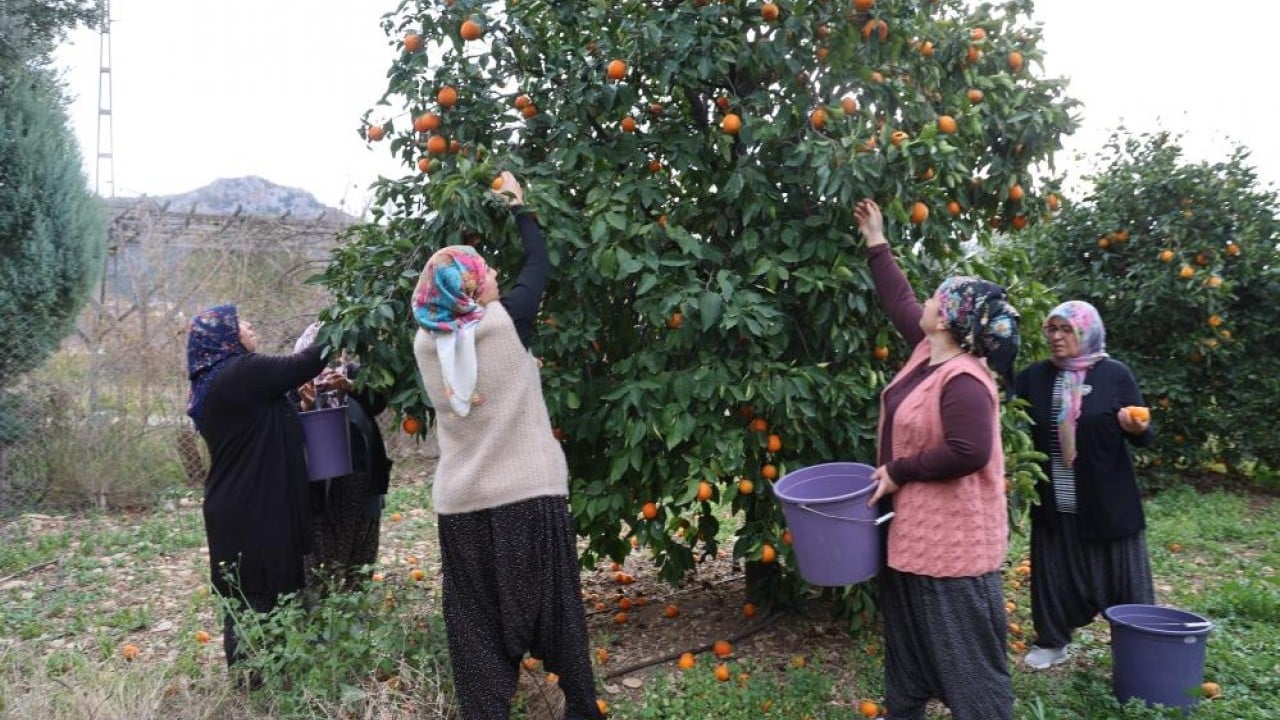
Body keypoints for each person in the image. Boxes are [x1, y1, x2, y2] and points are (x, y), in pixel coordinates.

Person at [411, 171, 603, 720]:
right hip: (527, 496)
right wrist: (520, 208)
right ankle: (582, 709)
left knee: (474, 627)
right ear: (471, 290)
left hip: (462, 506)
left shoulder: (426, 343)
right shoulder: (505, 323)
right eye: (483, 271)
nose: (495, 274)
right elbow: (538, 265)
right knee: (557, 615)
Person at [855, 199, 1020, 720]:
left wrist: (898, 471)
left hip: (953, 548)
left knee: (969, 668)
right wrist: (876, 240)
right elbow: (899, 298)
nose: (926, 300)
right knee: (909, 660)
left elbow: (969, 452)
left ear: (951, 319)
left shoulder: (965, 378)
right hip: (912, 537)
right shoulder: (928, 352)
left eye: (937, 297)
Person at [185, 304, 329, 676]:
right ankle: (253, 685)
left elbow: (265, 419)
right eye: (241, 322)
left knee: (253, 595)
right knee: (256, 595)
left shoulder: (220, 379)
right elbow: (303, 363)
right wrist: (340, 325)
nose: (249, 325)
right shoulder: (238, 372)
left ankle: (260, 681)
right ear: (225, 337)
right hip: (250, 507)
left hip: (245, 503)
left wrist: (300, 403)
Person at [1013, 300, 1155, 670]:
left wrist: (1137, 428)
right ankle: (1053, 641)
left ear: (1087, 332)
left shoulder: (1115, 375)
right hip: (1055, 498)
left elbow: (1146, 436)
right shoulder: (1033, 377)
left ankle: (1138, 646)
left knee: (1123, 579)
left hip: (1107, 502)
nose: (1057, 337)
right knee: (1054, 573)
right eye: (1052, 329)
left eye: (1067, 330)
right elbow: (1011, 425)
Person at [291, 324, 394, 594]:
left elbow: (379, 402)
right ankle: (321, 615)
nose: (331, 359)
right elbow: (285, 429)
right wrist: (305, 406)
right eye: (322, 350)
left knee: (360, 548)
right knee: (322, 550)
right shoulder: (293, 380)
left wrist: (350, 386)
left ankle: (354, 608)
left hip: (360, 478)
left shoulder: (353, 373)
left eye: (334, 350)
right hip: (319, 489)